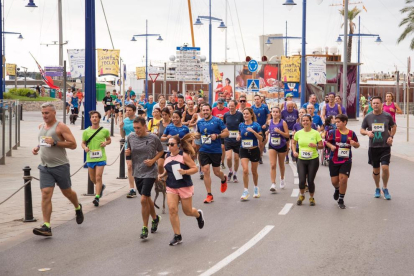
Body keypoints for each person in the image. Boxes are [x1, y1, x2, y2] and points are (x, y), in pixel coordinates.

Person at [32, 103, 84, 236]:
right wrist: (37, 147)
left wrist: (55, 143)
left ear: (54, 113)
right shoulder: (41, 126)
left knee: (67, 192)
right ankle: (47, 226)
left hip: (60, 166)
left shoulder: (61, 127)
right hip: (45, 166)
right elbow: (43, 140)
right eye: (43, 113)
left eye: (47, 113)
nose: (44, 116)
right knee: (46, 193)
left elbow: (73, 145)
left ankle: (77, 207)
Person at [158, 134, 205, 246]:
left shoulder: (184, 156)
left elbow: (194, 168)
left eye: (172, 144)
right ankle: (177, 235)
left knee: (187, 211)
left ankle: (198, 214)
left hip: (184, 185)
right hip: (171, 186)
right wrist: (162, 175)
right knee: (172, 209)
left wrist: (185, 172)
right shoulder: (167, 157)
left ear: (178, 145)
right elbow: (168, 170)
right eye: (168, 144)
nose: (169, 146)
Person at [126, 116, 164, 239]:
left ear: (144, 126)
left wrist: (153, 160)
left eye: (138, 128)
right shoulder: (131, 137)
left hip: (150, 171)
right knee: (147, 198)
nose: (136, 130)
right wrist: (127, 154)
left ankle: (144, 227)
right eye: (134, 128)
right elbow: (129, 150)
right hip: (138, 172)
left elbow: (161, 151)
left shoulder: (153, 138)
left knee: (143, 199)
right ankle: (155, 218)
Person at [360, 96, 396, 200]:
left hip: (385, 146)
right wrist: (367, 132)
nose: (375, 105)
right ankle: (377, 188)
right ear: (371, 105)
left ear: (381, 104)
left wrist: (391, 137)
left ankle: (385, 187)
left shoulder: (387, 116)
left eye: (377, 103)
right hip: (373, 147)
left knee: (385, 168)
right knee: (376, 171)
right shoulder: (368, 117)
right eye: (374, 103)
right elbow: (361, 130)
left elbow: (393, 127)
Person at [325, 114, 360, 209]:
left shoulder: (351, 133)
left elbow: (357, 145)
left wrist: (355, 144)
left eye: (338, 122)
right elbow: (326, 142)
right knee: (334, 181)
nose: (337, 124)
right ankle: (337, 189)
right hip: (334, 159)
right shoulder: (332, 132)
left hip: (346, 160)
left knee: (343, 179)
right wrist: (331, 146)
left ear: (345, 122)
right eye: (336, 122)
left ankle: (341, 199)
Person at [196, 104, 229, 203]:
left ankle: (223, 178)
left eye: (207, 110)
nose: (205, 112)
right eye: (203, 110)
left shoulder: (217, 121)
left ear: (211, 111)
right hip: (203, 149)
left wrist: (217, 136)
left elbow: (226, 132)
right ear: (201, 111)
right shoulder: (200, 122)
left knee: (216, 172)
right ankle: (209, 194)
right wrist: (196, 135)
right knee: (205, 170)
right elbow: (199, 133)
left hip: (215, 150)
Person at [292, 114, 323, 206]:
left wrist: (316, 146)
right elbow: (293, 143)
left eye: (307, 120)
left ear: (310, 122)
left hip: (313, 159)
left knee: (310, 180)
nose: (305, 122)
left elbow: (321, 145)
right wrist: (294, 151)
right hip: (301, 159)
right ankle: (301, 195)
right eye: (303, 120)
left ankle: (311, 198)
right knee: (301, 180)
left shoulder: (315, 133)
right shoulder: (298, 133)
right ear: (301, 122)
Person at [81, 111, 111, 207]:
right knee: (93, 178)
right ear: (90, 119)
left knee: (98, 177)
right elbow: (83, 143)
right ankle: (100, 187)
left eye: (96, 117)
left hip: (101, 157)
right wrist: (85, 148)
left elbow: (109, 140)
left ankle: (97, 197)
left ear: (99, 119)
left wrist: (105, 143)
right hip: (90, 157)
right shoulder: (86, 131)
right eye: (93, 117)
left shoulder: (104, 131)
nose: (94, 118)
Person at [238, 108, 263, 200]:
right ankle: (245, 191)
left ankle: (256, 188)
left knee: (254, 171)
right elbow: (240, 134)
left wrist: (253, 132)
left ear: (251, 115)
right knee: (245, 170)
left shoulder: (256, 125)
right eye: (244, 114)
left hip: (254, 150)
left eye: (247, 114)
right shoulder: (241, 125)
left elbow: (261, 138)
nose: (245, 115)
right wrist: (238, 136)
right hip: (243, 149)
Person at [266, 106, 289, 192]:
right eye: (273, 112)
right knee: (272, 165)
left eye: (276, 112)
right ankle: (273, 183)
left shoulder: (283, 123)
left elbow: (287, 135)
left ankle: (282, 178)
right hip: (272, 145)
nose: (275, 113)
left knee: (281, 164)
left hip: (282, 145)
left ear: (279, 114)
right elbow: (270, 129)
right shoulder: (269, 122)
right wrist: (267, 132)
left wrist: (280, 132)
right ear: (271, 113)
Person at [120, 104, 138, 198]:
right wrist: (120, 127)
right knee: (130, 166)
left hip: (139, 146)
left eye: (130, 110)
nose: (127, 112)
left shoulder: (139, 120)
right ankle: (132, 188)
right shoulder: (125, 121)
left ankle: (141, 184)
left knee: (139, 166)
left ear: (134, 111)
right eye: (126, 110)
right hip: (128, 146)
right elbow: (123, 135)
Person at [223, 100, 244, 183]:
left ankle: (235, 174)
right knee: (228, 158)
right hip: (228, 139)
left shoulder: (239, 115)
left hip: (237, 139)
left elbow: (242, 125)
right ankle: (230, 171)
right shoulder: (226, 115)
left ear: (236, 106)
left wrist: (240, 134)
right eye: (229, 106)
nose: (231, 107)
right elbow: (224, 125)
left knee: (236, 158)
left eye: (232, 106)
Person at [252, 94, 270, 164]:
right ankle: (255, 155)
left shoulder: (264, 107)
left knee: (261, 143)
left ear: (260, 100)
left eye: (258, 99)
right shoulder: (252, 107)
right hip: (255, 127)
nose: (256, 101)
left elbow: (269, 116)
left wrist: (266, 124)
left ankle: (259, 156)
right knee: (254, 142)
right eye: (255, 99)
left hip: (263, 127)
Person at [212, 98, 230, 169]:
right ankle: (216, 161)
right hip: (215, 130)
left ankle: (222, 162)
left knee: (222, 147)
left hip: (223, 130)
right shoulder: (213, 110)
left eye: (221, 103)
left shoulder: (227, 110)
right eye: (218, 103)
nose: (219, 105)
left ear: (223, 103)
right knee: (216, 146)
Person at [156, 108, 172, 174]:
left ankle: (168, 179)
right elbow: (159, 134)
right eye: (163, 115)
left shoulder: (172, 123)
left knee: (168, 165)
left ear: (169, 115)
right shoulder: (159, 123)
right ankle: (161, 180)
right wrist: (157, 133)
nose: (164, 116)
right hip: (161, 147)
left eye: (166, 114)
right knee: (160, 165)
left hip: (171, 146)